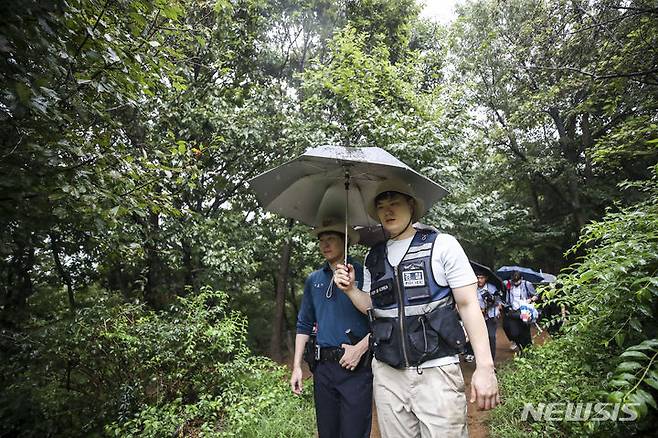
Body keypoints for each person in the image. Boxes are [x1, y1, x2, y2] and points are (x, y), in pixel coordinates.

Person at [333, 179, 500, 438]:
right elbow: (372, 307)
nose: (388, 211)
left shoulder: (442, 245)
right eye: (381, 206)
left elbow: (468, 305)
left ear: (411, 205)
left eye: (395, 203)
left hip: (437, 370)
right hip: (388, 374)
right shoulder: (373, 257)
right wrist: (351, 290)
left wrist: (485, 368)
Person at [290, 219, 373, 438]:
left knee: (354, 432)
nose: (325, 244)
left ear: (345, 243)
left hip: (356, 367)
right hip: (323, 368)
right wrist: (297, 366)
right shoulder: (314, 280)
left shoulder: (365, 274)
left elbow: (382, 317)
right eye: (322, 240)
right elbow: (304, 324)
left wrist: (361, 349)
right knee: (327, 433)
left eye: (331, 239)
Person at [502, 270, 537, 352]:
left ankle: (527, 350)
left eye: (517, 281)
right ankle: (517, 342)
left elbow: (536, 295)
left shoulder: (527, 284)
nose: (516, 283)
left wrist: (531, 299)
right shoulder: (509, 284)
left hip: (524, 311)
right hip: (513, 311)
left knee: (525, 331)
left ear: (521, 279)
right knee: (508, 328)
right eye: (514, 281)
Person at [476, 273, 502, 361]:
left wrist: (490, 301)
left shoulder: (492, 288)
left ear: (486, 278)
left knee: (491, 337)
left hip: (491, 316)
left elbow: (498, 301)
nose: (479, 280)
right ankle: (480, 360)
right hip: (478, 317)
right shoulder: (473, 288)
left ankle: (491, 360)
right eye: (478, 278)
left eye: (481, 278)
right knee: (479, 339)